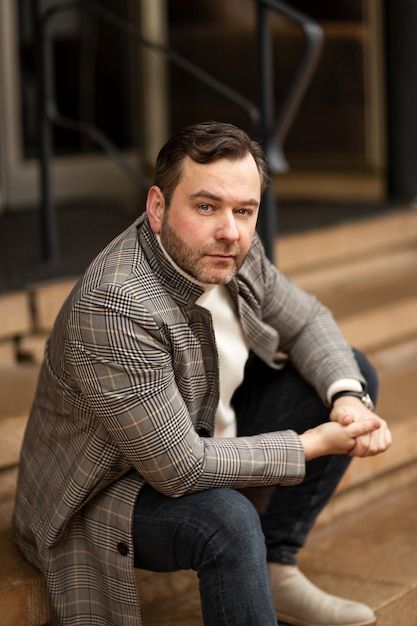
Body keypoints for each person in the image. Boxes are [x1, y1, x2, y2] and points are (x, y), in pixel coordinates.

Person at [14, 121, 391, 626]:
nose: (229, 230)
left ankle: (274, 565)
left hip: (198, 433)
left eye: (244, 210)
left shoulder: (231, 247)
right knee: (227, 521)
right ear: (157, 207)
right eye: (206, 206)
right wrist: (313, 444)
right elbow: (180, 468)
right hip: (106, 489)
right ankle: (254, 556)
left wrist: (346, 399)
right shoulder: (116, 305)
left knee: (350, 372)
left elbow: (307, 320)